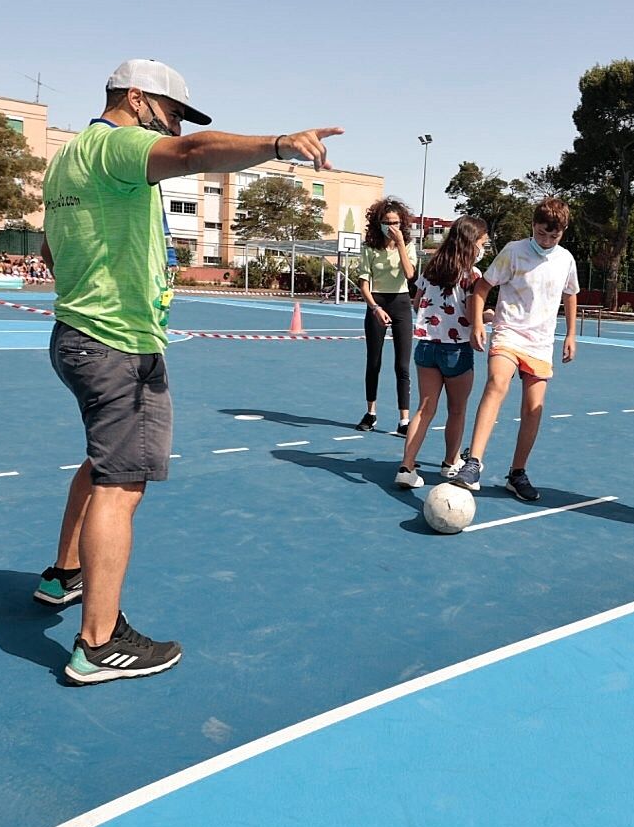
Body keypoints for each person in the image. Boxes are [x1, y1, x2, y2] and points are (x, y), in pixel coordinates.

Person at [37, 57, 341, 685]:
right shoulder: (118, 145)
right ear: (138, 99)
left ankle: (63, 574)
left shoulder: (66, 160)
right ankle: (97, 642)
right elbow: (196, 151)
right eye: (170, 112)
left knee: (100, 464)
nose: (172, 126)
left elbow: (50, 246)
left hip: (77, 333)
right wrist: (280, 144)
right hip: (116, 344)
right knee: (121, 483)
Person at [452, 198, 579, 500]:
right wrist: (479, 324)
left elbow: (570, 294)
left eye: (553, 236)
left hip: (540, 343)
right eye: (541, 233)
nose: (546, 241)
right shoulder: (514, 251)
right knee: (497, 383)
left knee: (533, 409)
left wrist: (571, 334)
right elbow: (483, 287)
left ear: (562, 232)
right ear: (532, 226)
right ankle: (473, 464)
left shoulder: (565, 260)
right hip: (508, 333)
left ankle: (517, 473)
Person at [394, 217, 492, 488]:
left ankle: (406, 466)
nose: (484, 248)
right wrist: (489, 316)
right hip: (456, 351)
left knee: (424, 409)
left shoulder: (431, 269)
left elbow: (417, 304)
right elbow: (473, 317)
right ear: (472, 243)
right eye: (483, 243)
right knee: (457, 410)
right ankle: (450, 463)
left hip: (426, 346)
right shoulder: (472, 275)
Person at [355, 198, 418, 435]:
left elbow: (410, 274)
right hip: (377, 302)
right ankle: (370, 413)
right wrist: (375, 308)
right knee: (374, 362)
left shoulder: (408, 245)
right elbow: (364, 283)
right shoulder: (369, 248)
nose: (391, 226)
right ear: (378, 223)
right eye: (386, 222)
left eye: (395, 222)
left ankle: (404, 420)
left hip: (401, 302)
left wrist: (400, 244)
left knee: (402, 365)